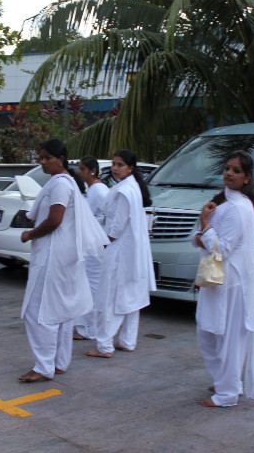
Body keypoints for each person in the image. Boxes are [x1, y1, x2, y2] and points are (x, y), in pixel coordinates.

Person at [18, 141, 108, 382]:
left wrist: (29, 234)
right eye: (41, 158)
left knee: (38, 311)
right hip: (63, 254)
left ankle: (43, 366)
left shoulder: (60, 183)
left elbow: (54, 220)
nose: (42, 162)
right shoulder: (67, 182)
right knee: (60, 310)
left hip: (53, 254)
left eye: (47, 157)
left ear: (60, 158)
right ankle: (58, 362)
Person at [192, 150, 254, 408]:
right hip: (224, 280)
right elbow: (203, 239)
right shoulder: (230, 204)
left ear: (247, 178)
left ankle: (227, 392)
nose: (229, 173)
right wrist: (204, 230)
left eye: (236, 170)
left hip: (229, 282)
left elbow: (222, 247)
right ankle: (227, 382)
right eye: (227, 168)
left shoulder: (237, 207)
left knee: (224, 337)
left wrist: (205, 224)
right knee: (214, 333)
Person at [85, 149, 156, 359]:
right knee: (131, 297)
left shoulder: (125, 191)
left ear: (131, 168)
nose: (115, 168)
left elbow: (116, 227)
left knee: (110, 298)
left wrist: (103, 238)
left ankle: (104, 345)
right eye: (114, 164)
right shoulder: (130, 187)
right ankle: (127, 341)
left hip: (120, 251)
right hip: (132, 252)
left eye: (120, 165)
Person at [73, 156, 109, 340]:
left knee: (91, 286)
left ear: (92, 171)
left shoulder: (97, 191)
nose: (79, 172)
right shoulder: (93, 189)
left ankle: (89, 328)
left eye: (82, 169)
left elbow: (93, 217)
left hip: (95, 245)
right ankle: (86, 325)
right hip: (92, 243)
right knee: (88, 285)